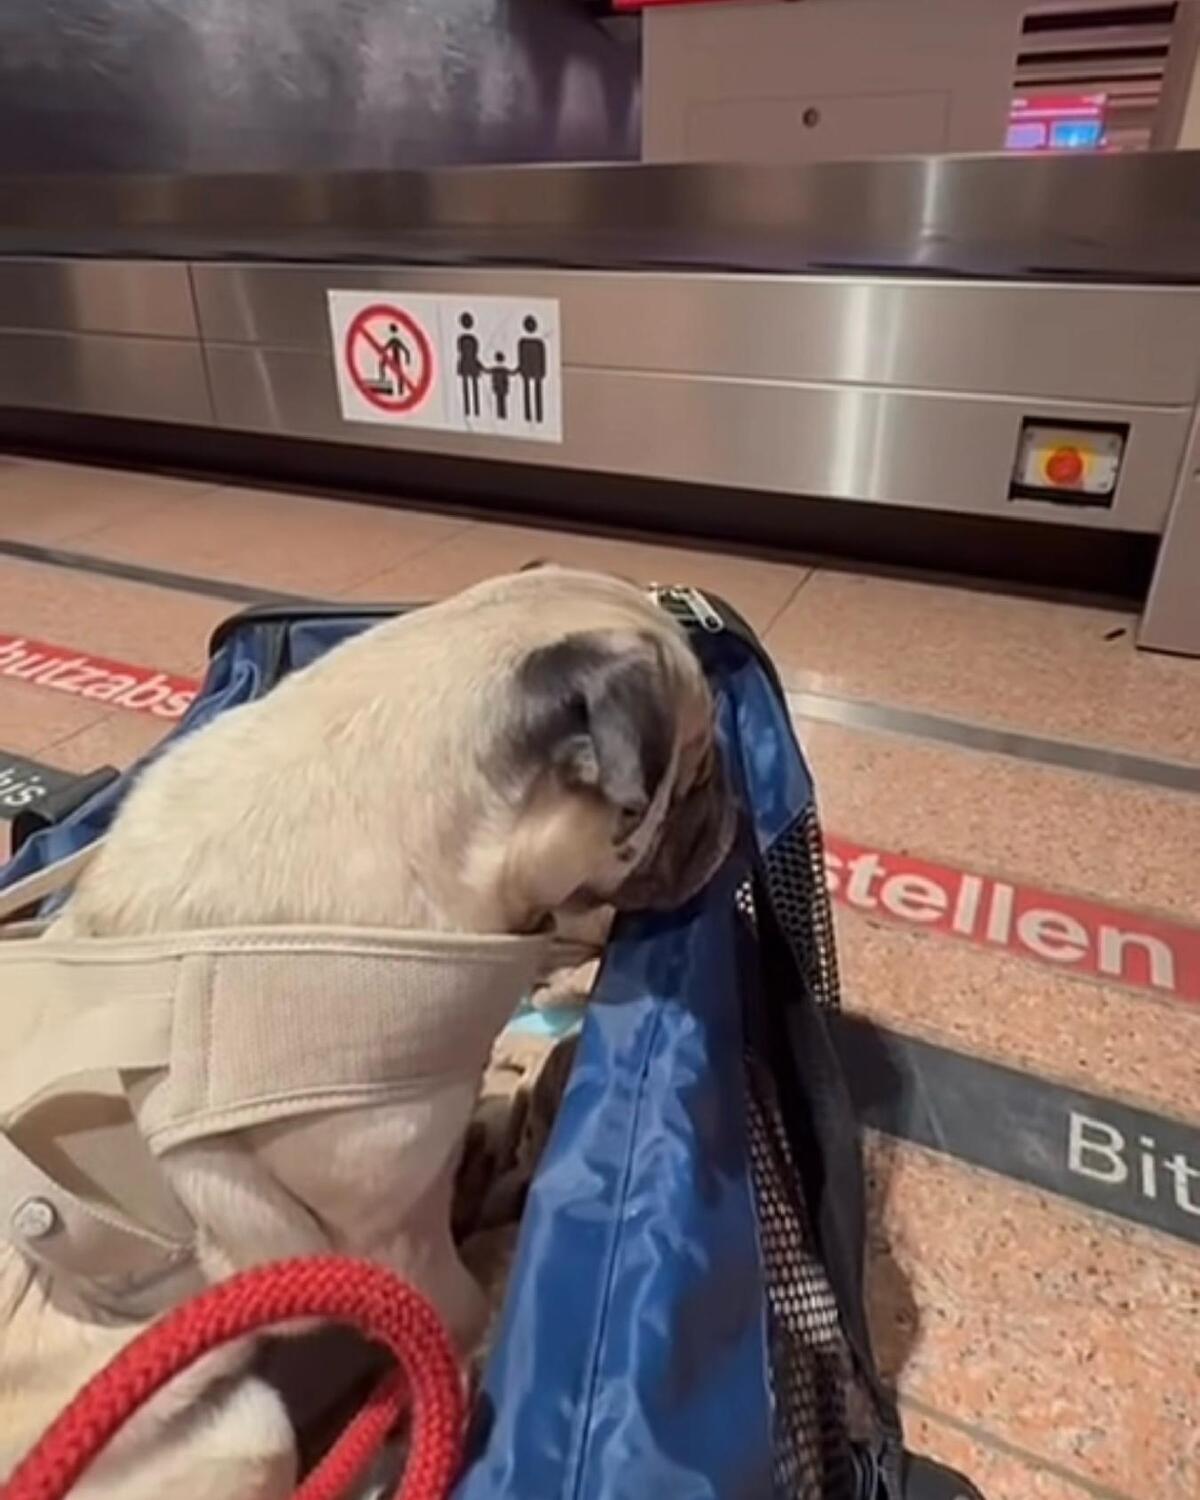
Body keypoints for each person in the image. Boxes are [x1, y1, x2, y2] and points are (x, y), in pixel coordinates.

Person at [516, 315, 547, 423]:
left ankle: (536, 415)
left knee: (532, 393)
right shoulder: (528, 342)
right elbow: (521, 358)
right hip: (532, 370)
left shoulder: (526, 343)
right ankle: (530, 415)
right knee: (530, 393)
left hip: (531, 370)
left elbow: (542, 358)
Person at [456, 312, 484, 417]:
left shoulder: (463, 339)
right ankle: (473, 409)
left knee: (469, 386)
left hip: (466, 362)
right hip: (470, 363)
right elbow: (474, 352)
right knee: (471, 385)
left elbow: (460, 350)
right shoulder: (472, 339)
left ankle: (472, 409)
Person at [381, 323, 411, 395]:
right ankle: (383, 380)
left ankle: (400, 391)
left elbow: (406, 350)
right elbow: (384, 349)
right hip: (391, 359)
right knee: (382, 365)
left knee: (399, 375)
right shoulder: (392, 341)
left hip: (396, 360)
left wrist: (407, 359)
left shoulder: (396, 341)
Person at [488, 352, 512, 421]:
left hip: (499, 387)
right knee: (501, 400)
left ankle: (501, 415)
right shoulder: (503, 370)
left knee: (500, 400)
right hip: (501, 387)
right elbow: (512, 372)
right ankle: (502, 415)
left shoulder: (496, 370)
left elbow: (487, 371)